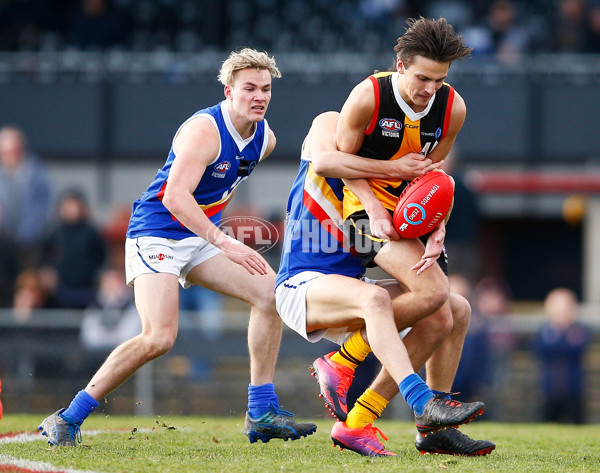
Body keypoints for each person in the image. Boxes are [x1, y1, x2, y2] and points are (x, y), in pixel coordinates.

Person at [38, 48, 316, 447]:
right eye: (249, 88)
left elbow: (219, 187)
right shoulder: (204, 130)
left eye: (266, 89)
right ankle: (68, 417)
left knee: (272, 296)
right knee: (160, 337)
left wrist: (215, 235)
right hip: (156, 232)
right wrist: (223, 240)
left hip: (197, 237)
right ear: (228, 91)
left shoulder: (265, 138)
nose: (259, 96)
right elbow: (174, 197)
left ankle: (261, 412)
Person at [315, 17, 494, 455]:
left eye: (439, 80)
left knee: (455, 313)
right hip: (364, 212)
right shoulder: (368, 96)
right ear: (400, 65)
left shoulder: (453, 108)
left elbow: (435, 180)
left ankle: (413, 428)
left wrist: (439, 225)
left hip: (410, 214)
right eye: (422, 78)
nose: (429, 88)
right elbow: (334, 162)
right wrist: (375, 206)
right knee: (434, 292)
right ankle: (344, 358)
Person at [276, 110, 492, 457]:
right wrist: (398, 169)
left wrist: (437, 227)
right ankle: (414, 397)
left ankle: (395, 426)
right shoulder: (331, 123)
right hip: (302, 282)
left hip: (350, 284)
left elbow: (425, 204)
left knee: (452, 309)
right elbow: (326, 163)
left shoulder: (399, 161)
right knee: (375, 299)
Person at [42, 188, 107, 309]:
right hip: (59, 292)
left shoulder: (92, 233)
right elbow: (45, 259)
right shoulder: (53, 233)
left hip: (88, 291)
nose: (72, 209)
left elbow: (101, 258)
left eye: (75, 205)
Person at [532, 287, 590, 423]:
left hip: (573, 387)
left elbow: (574, 349)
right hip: (549, 387)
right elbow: (541, 350)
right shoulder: (545, 331)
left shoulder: (579, 331)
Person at [0, 126, 52, 268]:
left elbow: (45, 205)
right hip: (3, 240)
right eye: (4, 152)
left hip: (29, 241)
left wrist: (33, 230)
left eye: (12, 151)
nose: (9, 156)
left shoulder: (35, 172)